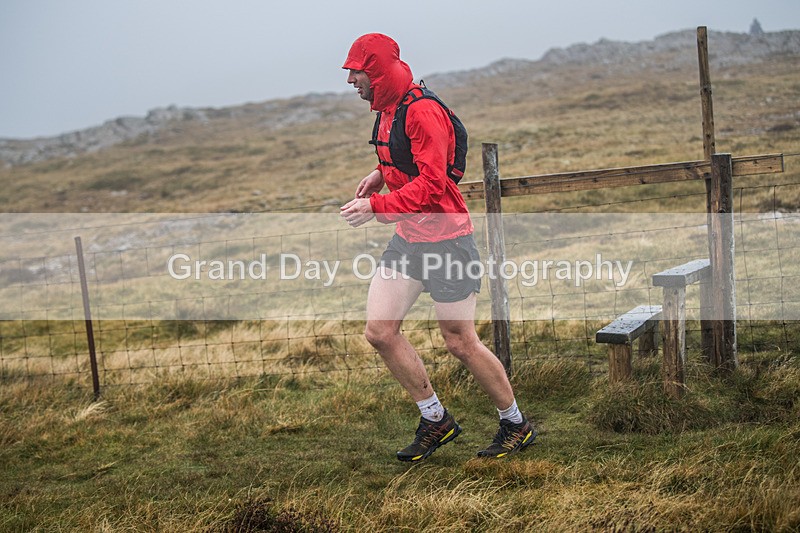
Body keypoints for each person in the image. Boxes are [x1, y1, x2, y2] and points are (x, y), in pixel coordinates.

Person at [339, 33, 535, 461]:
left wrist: (376, 206)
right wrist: (380, 174)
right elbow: (403, 157)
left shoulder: (421, 111)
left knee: (460, 341)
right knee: (380, 331)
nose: (351, 80)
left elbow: (433, 186)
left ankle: (516, 424)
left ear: (376, 71)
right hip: (409, 240)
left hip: (448, 241)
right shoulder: (390, 109)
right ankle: (436, 420)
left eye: (356, 71)